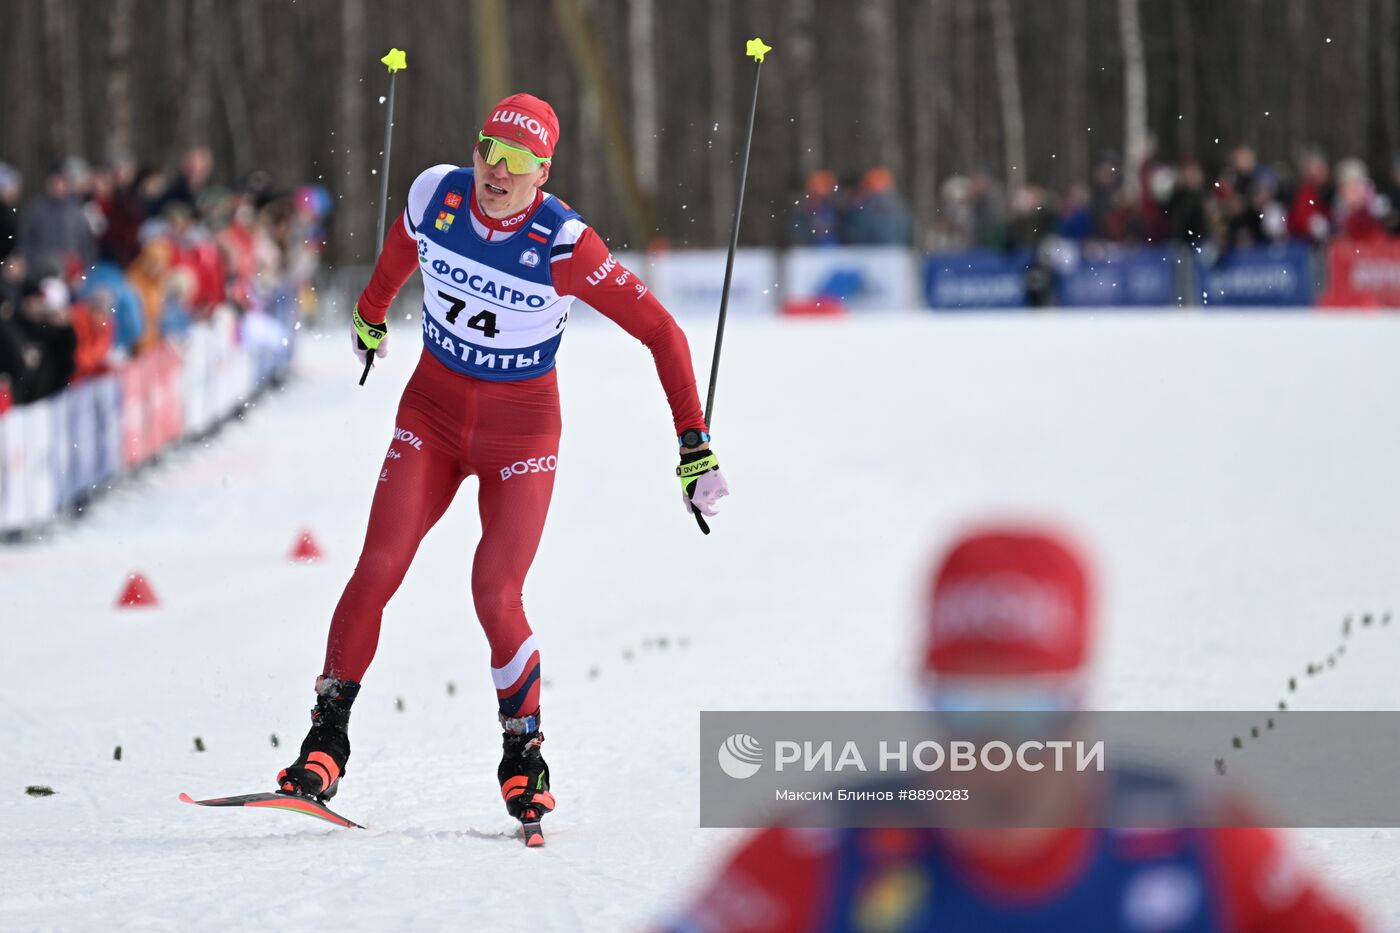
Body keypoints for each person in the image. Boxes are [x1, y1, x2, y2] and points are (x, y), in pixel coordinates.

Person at [274, 93, 729, 835]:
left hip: (520, 434)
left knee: (495, 591)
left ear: (542, 173)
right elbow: (398, 253)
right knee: (378, 567)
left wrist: (693, 444)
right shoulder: (436, 194)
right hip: (432, 415)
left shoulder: (566, 244)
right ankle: (325, 741)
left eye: (518, 161)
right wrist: (369, 313)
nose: (497, 170)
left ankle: (524, 755)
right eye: (489, 150)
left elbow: (663, 333)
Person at [662, 526, 1363, 932]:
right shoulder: (818, 853)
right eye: (966, 711)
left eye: (1030, 713)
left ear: (1082, 704)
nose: (996, 752)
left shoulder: (1202, 844)